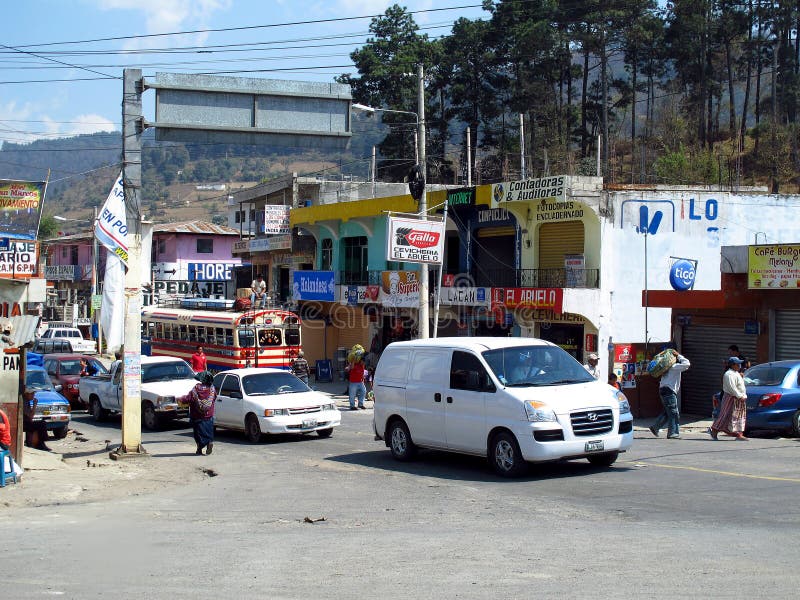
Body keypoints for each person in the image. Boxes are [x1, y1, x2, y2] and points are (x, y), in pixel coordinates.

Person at [649, 347, 690, 439]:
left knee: (668, 412)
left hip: (663, 390)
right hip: (669, 391)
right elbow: (687, 363)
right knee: (674, 413)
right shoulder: (674, 367)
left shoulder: (665, 368)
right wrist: (678, 355)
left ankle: (655, 427)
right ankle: (673, 433)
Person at [710, 357, 749, 441]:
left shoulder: (736, 373)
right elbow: (732, 388)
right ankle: (714, 430)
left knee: (738, 416)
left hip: (739, 398)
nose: (739, 365)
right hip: (731, 398)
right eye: (737, 364)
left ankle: (739, 434)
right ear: (733, 365)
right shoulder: (729, 374)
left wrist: (742, 396)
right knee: (725, 415)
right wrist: (739, 396)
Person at [179, 371, 217, 455]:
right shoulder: (212, 389)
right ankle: (209, 442)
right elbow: (214, 398)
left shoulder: (196, 388)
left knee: (198, 433)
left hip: (197, 415)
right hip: (209, 415)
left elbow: (189, 398)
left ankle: (199, 449)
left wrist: (180, 399)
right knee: (208, 431)